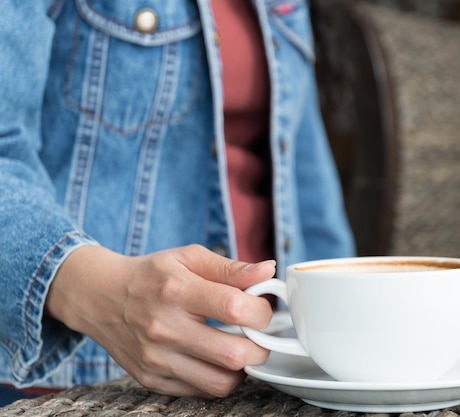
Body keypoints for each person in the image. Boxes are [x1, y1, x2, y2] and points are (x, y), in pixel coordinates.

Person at [0, 0, 355, 405]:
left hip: (276, 376)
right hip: (80, 380)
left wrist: (344, 334)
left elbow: (305, 176)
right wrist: (99, 294)